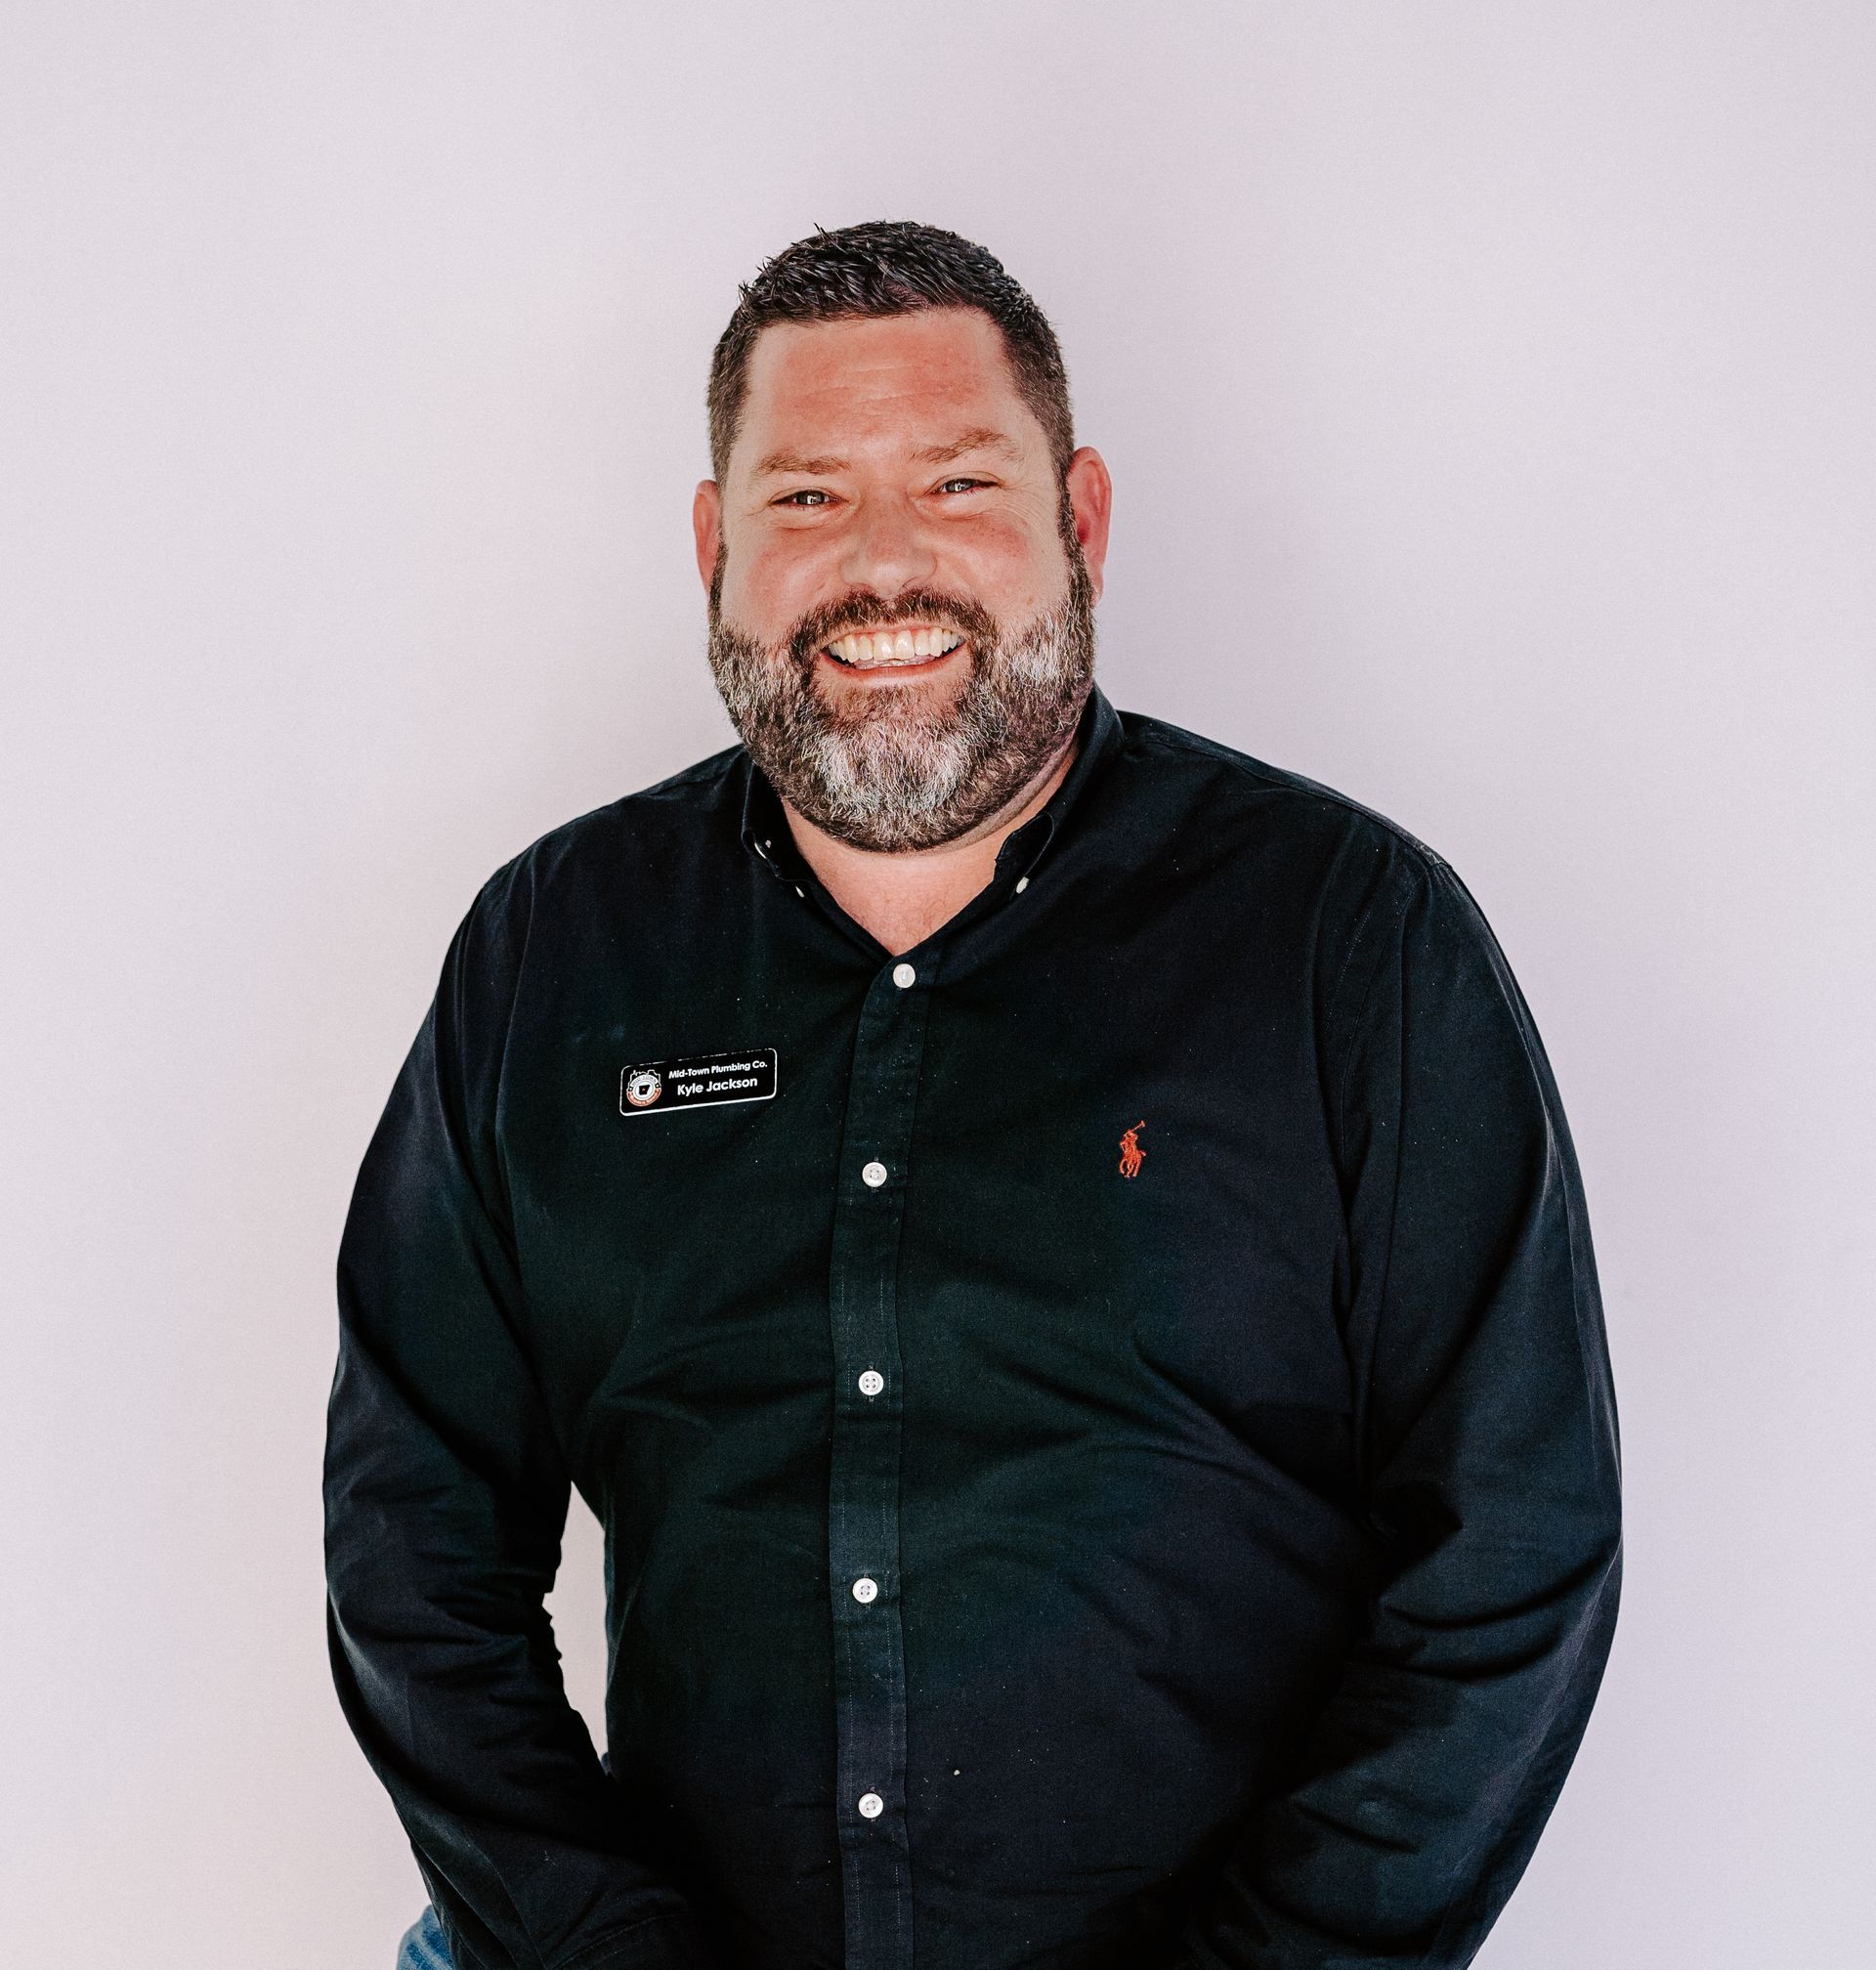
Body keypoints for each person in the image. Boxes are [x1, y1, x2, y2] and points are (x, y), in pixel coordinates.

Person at [324, 220, 1622, 1970]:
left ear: (1079, 522)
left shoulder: (1350, 945)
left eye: (954, 484)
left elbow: (1515, 1552)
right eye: (803, 501)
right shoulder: (555, 952)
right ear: (713, 548)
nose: (882, 569)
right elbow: (414, 1556)